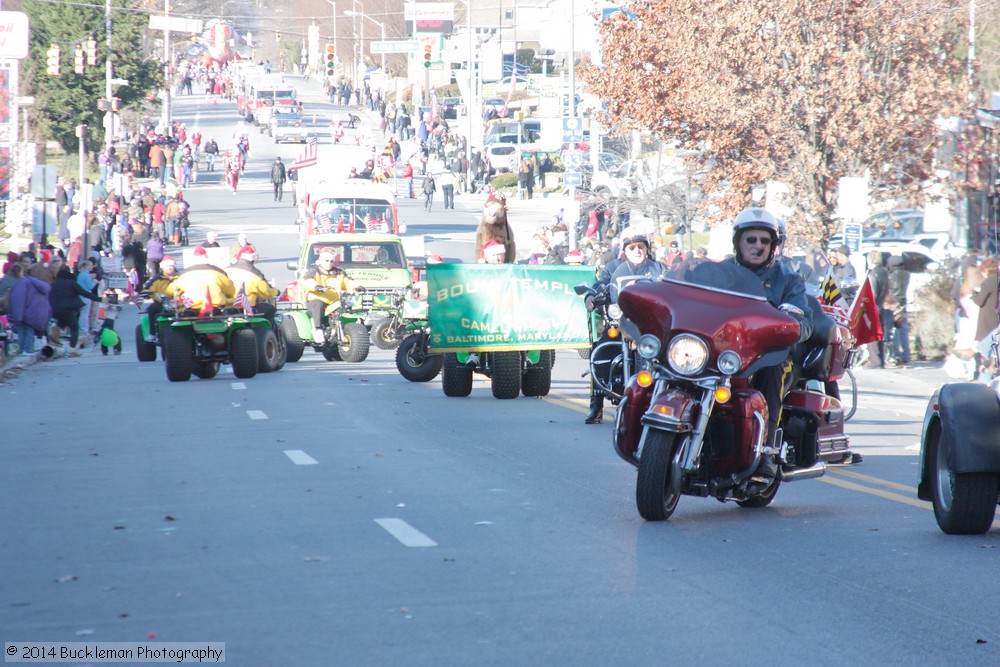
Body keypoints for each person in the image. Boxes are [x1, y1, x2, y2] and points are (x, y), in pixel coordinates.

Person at [726, 207, 813, 482]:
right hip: (724, 352)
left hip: (769, 354)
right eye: (751, 239)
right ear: (738, 242)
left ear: (773, 245)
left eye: (765, 241)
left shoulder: (787, 279)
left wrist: (790, 325)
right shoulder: (720, 273)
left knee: (771, 372)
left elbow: (805, 323)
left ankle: (766, 451)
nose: (758, 246)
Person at [584, 228, 667, 425]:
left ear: (647, 248)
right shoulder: (613, 267)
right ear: (625, 250)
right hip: (622, 322)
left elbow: (673, 283)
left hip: (651, 324)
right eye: (632, 247)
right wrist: (591, 296)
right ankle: (596, 405)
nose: (637, 250)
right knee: (600, 351)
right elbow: (601, 282)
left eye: (641, 246)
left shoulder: (659, 268)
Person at [301, 249, 352, 344]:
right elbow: (307, 281)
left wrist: (357, 287)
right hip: (318, 297)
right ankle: (318, 329)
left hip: (335, 300)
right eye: (326, 261)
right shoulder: (313, 270)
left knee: (350, 305)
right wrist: (317, 286)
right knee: (318, 304)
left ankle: (352, 327)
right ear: (320, 261)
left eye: (331, 261)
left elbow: (348, 281)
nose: (329, 263)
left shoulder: (339, 272)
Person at [166, 245, 235, 313]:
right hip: (216, 308)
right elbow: (231, 291)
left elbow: (170, 291)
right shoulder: (218, 273)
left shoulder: (184, 275)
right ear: (206, 257)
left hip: (192, 308)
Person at [49, 264, 101, 349]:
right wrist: (99, 299)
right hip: (67, 309)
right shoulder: (71, 283)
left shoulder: (53, 284)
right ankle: (72, 348)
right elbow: (84, 293)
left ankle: (54, 332)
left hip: (54, 310)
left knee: (62, 322)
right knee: (74, 327)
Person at [226, 244, 279, 323]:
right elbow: (266, 292)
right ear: (253, 260)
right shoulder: (255, 274)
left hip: (228, 308)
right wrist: (276, 291)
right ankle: (271, 332)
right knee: (270, 309)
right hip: (248, 309)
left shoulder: (226, 270)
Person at [7, 264, 51, 356]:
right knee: (29, 332)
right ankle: (27, 350)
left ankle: (22, 349)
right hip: (32, 314)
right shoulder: (36, 285)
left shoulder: (21, 284)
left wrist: (16, 315)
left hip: (22, 313)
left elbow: (17, 300)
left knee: (22, 332)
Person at [142, 255, 178, 341]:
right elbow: (147, 289)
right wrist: (146, 293)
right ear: (162, 267)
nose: (169, 267)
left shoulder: (181, 277)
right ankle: (153, 333)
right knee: (151, 309)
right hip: (162, 303)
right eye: (167, 265)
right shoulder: (157, 279)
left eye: (171, 265)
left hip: (180, 303)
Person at [865, 250, 890, 368]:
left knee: (872, 334)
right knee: (879, 334)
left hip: (873, 307)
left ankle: (875, 360)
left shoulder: (873, 274)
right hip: (881, 305)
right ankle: (881, 360)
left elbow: (872, 293)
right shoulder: (884, 272)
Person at [886, 255, 911, 367]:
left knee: (895, 331)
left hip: (894, 305)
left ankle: (896, 354)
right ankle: (906, 355)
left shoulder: (891, 276)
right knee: (904, 330)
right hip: (903, 304)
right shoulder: (906, 274)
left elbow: (891, 292)